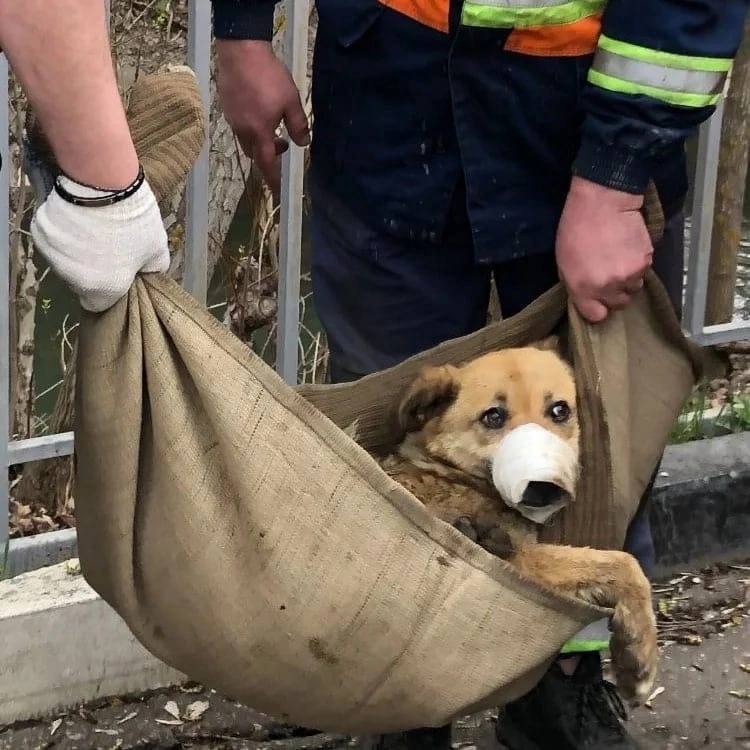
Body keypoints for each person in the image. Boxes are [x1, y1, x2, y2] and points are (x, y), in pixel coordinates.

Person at [0, 0, 746, 747]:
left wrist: (616, 176)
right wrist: (243, 33)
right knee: (379, 435)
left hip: (574, 103)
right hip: (391, 83)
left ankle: (568, 682)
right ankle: (398, 693)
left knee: (591, 431)